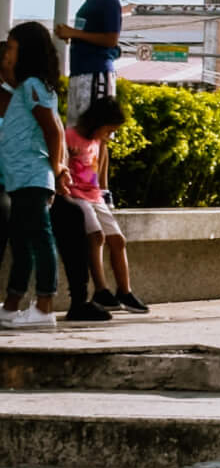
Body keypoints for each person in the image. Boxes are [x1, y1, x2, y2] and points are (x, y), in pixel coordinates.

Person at [0, 22, 68, 328]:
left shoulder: (31, 87)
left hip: (32, 177)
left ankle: (44, 306)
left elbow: (53, 130)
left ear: (26, 52)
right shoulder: (26, 88)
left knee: (40, 240)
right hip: (20, 179)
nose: (8, 54)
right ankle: (11, 305)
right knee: (21, 242)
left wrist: (55, 168)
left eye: (12, 48)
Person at [59, 92, 141, 315]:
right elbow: (61, 163)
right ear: (97, 123)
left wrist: (104, 192)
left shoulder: (98, 142)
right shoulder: (69, 137)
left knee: (118, 239)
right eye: (108, 130)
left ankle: (124, 290)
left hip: (94, 195)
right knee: (96, 237)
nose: (109, 135)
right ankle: (101, 289)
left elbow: (100, 169)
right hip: (76, 195)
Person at [54, 0, 120, 179]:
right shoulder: (92, 1)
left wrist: (75, 34)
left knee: (95, 132)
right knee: (80, 131)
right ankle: (84, 181)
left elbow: (111, 39)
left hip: (95, 74)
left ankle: (97, 187)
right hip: (81, 73)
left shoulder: (109, 1)